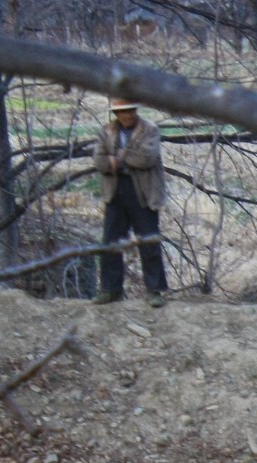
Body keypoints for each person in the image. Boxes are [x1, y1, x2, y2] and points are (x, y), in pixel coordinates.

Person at [91, 99, 169, 307]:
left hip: (143, 192)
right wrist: (122, 159)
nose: (128, 115)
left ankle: (154, 291)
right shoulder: (106, 131)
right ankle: (111, 290)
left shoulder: (149, 129)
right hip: (115, 192)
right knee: (110, 242)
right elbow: (98, 161)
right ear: (116, 114)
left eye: (130, 110)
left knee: (148, 241)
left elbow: (146, 158)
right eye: (123, 112)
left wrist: (118, 157)